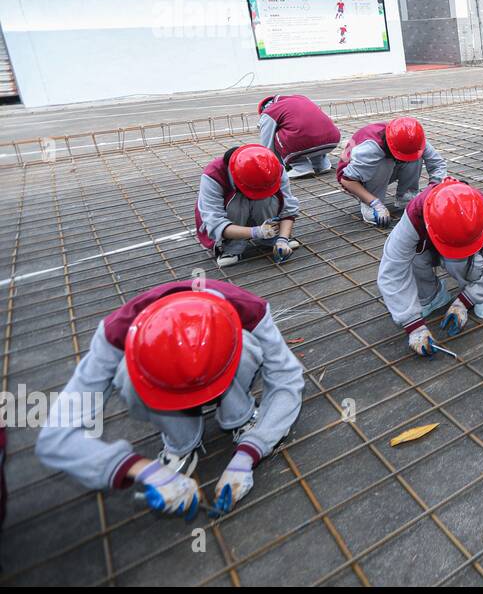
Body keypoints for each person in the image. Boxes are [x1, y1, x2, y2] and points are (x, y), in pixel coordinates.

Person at [35, 280, 304, 519]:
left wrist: (251, 450)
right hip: (161, 390)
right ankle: (181, 441)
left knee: (246, 346)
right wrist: (144, 470)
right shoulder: (115, 335)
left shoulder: (248, 310)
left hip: (230, 378)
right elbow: (55, 438)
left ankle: (241, 418)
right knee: (126, 375)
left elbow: (287, 379)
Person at [378, 180, 483, 353]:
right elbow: (392, 271)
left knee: (466, 261)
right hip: (429, 247)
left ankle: (478, 291)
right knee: (410, 258)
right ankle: (432, 296)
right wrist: (413, 325)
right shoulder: (414, 216)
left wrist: (465, 301)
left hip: (470, 260)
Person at [195, 144, 300, 268]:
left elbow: (288, 207)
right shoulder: (213, 175)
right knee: (237, 202)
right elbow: (214, 222)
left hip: (268, 228)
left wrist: (282, 238)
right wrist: (257, 232)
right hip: (230, 212)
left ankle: (272, 238)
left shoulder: (273, 168)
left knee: (268, 197)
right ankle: (231, 245)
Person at [337, 117, 449, 226]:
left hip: (383, 164)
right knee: (386, 162)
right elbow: (347, 180)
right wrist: (374, 203)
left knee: (414, 155)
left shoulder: (413, 139)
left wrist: (433, 189)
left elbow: (438, 164)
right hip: (355, 180)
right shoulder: (371, 149)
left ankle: (406, 196)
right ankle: (369, 203)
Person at [256, 93, 341, 179]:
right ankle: (321, 164)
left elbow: (267, 142)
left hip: (302, 142)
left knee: (276, 134)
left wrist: (274, 165)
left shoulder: (270, 110)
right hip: (332, 138)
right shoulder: (301, 98)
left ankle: (301, 166)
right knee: (312, 128)